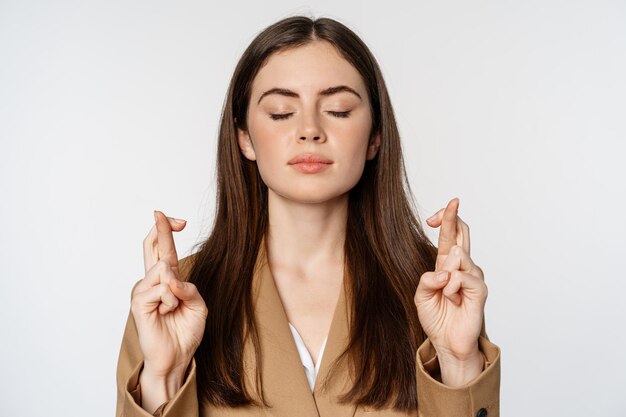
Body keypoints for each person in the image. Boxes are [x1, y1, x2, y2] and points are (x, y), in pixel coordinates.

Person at [116, 15, 501, 417]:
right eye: (281, 112)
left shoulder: (432, 291)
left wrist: (458, 361)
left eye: (337, 110)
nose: (309, 130)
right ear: (243, 137)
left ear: (375, 137)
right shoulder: (176, 297)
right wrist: (163, 376)